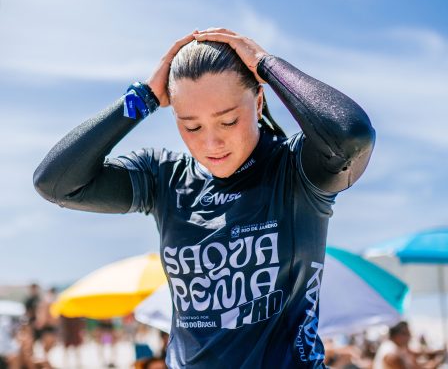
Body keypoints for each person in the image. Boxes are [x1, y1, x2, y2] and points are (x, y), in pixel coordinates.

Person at [33, 28, 375, 368]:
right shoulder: (164, 177)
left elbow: (351, 136)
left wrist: (265, 65)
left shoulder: (294, 170)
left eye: (228, 121)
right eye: (191, 127)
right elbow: (56, 183)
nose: (211, 144)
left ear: (257, 102)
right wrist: (144, 98)